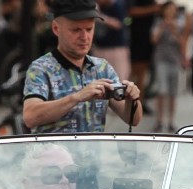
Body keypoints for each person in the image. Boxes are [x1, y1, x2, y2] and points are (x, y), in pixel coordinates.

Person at [22, 0, 142, 133]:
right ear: (56, 28)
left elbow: (133, 120)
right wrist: (77, 97)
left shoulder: (102, 68)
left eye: (89, 29)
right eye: (76, 30)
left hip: (95, 154)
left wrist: (133, 98)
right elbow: (30, 116)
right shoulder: (41, 68)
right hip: (53, 153)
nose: (84, 37)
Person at [150, 1, 183, 132]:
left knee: (173, 93)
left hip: (174, 61)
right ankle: (159, 120)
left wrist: (174, 29)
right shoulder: (158, 23)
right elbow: (153, 40)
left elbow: (182, 42)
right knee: (161, 92)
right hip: (161, 60)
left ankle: (170, 121)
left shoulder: (180, 23)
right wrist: (163, 27)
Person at [93, 0, 131, 83]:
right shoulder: (98, 6)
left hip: (116, 49)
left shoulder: (117, 5)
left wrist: (100, 16)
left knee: (119, 80)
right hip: (100, 47)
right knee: (99, 79)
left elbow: (118, 24)